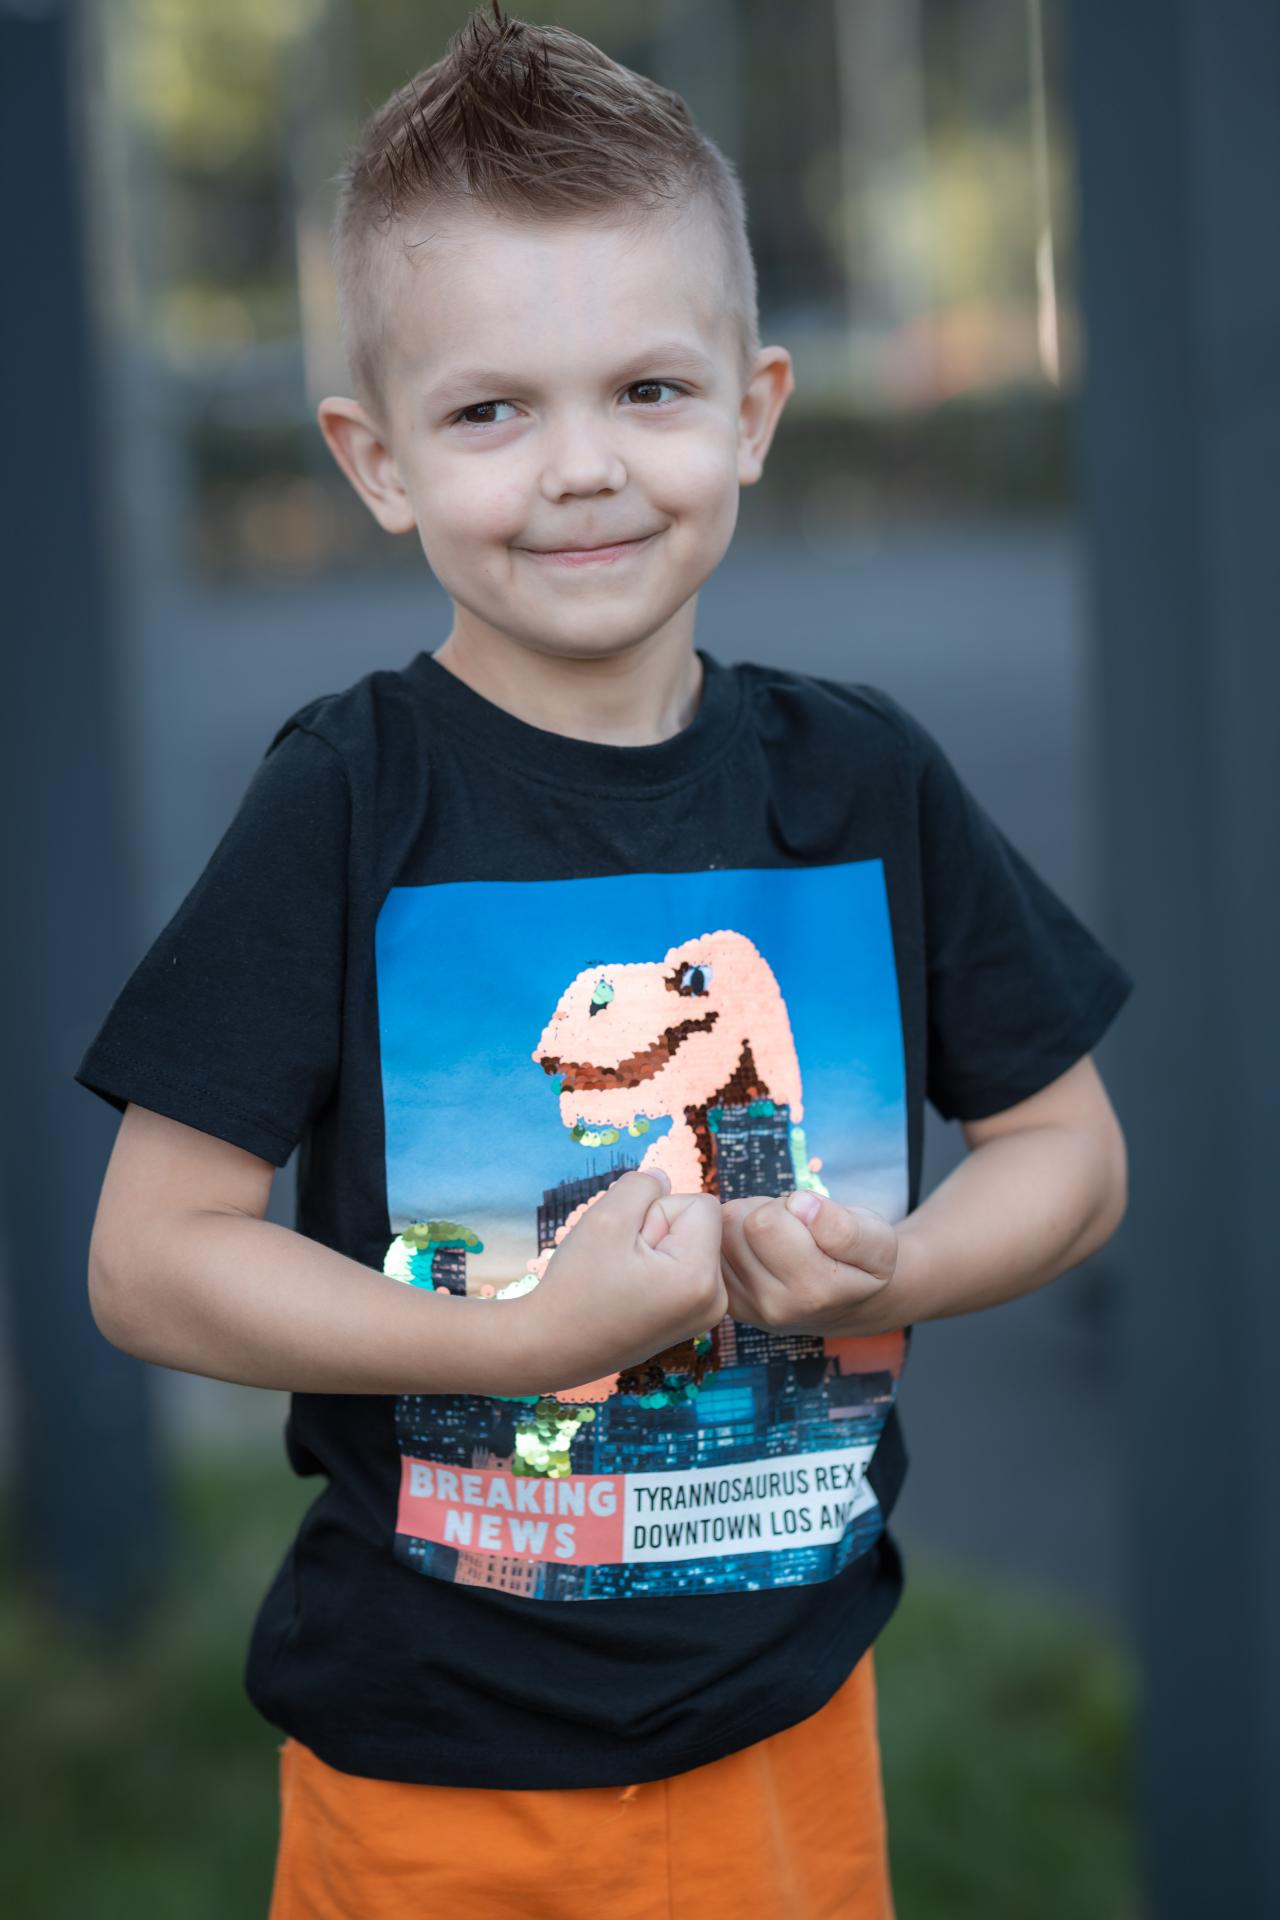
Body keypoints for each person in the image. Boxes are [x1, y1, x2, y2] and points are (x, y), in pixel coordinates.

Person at [73, 5, 1134, 1915]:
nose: (582, 467)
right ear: (377, 459)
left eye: (648, 389)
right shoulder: (347, 797)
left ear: (753, 412)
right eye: (492, 411)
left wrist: (897, 1270)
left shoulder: (864, 779)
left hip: (792, 1739)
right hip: (433, 1778)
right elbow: (151, 1264)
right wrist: (522, 1343)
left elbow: (1071, 1153)